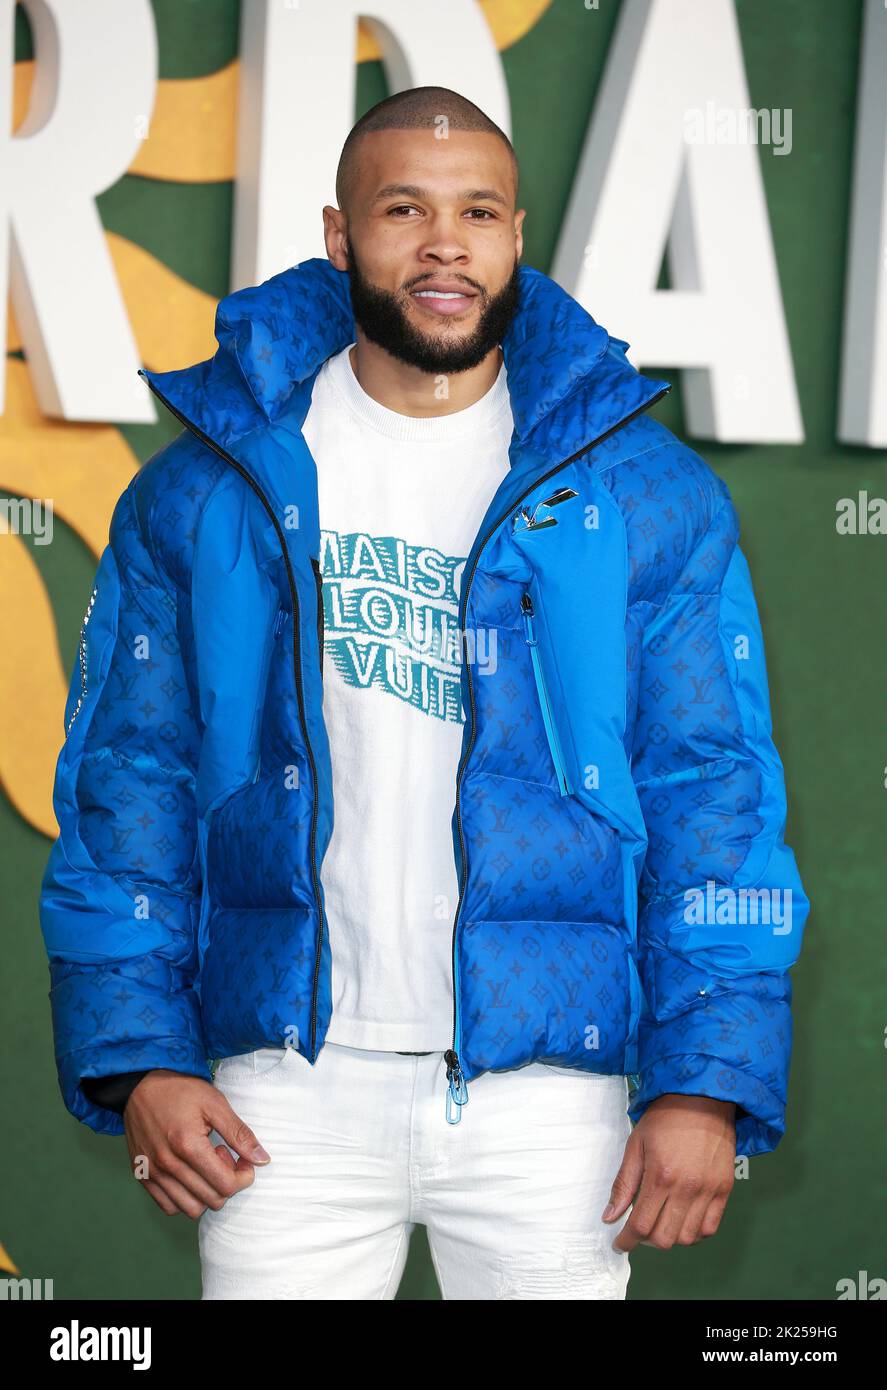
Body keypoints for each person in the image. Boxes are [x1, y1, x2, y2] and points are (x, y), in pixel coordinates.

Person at [38, 86, 808, 1301]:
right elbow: (128, 785)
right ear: (341, 236)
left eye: (478, 212)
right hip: (280, 1089)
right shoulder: (207, 489)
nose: (445, 242)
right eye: (404, 208)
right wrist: (140, 1059)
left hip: (552, 1101)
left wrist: (703, 1080)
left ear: (515, 236)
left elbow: (712, 791)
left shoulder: (640, 491)